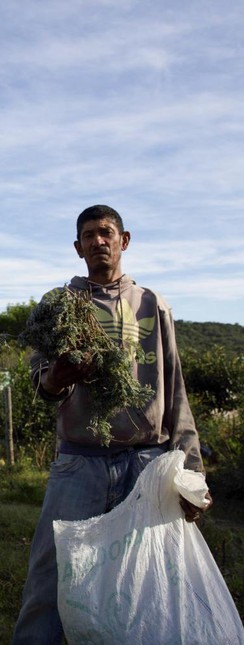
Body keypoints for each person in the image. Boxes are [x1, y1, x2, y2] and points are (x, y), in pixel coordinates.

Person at [11, 204, 212, 644]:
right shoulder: (58, 306)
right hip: (79, 462)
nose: (99, 241)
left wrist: (191, 467)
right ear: (77, 247)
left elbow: (174, 387)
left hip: (148, 463)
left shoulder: (152, 304)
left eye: (107, 233)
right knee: (52, 572)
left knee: (148, 579)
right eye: (89, 235)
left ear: (125, 240)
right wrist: (57, 378)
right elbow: (40, 385)